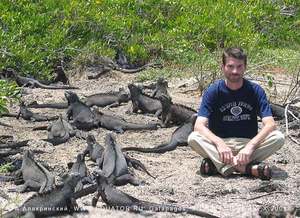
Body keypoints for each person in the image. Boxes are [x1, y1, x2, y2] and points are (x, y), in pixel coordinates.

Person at [188, 47, 284, 180]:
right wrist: (219, 143)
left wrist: (250, 147)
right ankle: (246, 168)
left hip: (248, 145)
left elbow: (270, 124)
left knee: (278, 137)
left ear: (245, 67)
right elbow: (199, 125)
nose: (235, 71)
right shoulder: (213, 91)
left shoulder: (255, 90)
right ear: (223, 67)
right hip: (219, 147)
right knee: (193, 138)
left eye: (239, 66)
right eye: (230, 66)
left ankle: (219, 166)